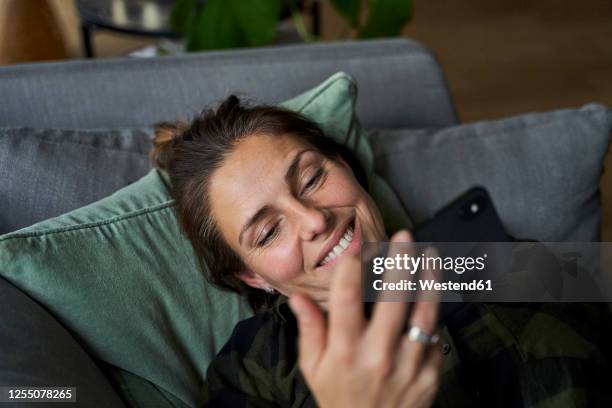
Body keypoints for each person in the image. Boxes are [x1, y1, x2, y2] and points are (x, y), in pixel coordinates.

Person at [150, 96, 612, 407]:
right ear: (251, 276)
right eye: (269, 231)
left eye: (312, 179)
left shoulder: (492, 256)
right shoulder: (252, 372)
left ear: (348, 171)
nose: (314, 220)